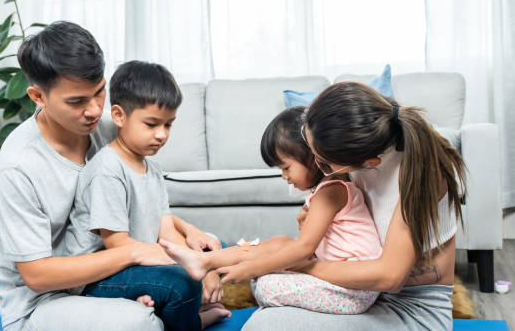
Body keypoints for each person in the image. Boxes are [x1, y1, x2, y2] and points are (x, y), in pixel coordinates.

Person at [0, 21, 222, 331]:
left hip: (107, 275)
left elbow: (145, 198)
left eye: (99, 92)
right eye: (77, 101)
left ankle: (148, 303)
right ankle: (150, 311)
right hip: (41, 303)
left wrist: (190, 236)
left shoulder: (104, 130)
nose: (95, 110)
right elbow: (36, 276)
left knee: (210, 244)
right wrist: (137, 254)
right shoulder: (17, 167)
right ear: (38, 96)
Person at [238, 82, 466, 331]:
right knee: (265, 296)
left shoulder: (420, 170)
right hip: (360, 293)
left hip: (411, 312)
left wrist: (300, 266)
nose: (319, 168)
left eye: (324, 163)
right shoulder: (359, 155)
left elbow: (389, 277)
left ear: (369, 161)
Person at [63, 60, 231, 331]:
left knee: (216, 250)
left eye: (168, 124)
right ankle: (190, 323)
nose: (162, 134)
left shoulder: (151, 169)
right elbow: (117, 244)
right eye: (152, 124)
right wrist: (194, 271)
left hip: (136, 263)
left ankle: (148, 304)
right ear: (118, 115)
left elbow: (166, 229)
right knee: (183, 285)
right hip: (99, 277)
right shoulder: (108, 169)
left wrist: (205, 262)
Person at [161, 106, 382, 315]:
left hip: (354, 290)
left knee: (264, 284)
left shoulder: (331, 191)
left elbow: (305, 248)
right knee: (280, 243)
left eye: (286, 168)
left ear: (313, 157)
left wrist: (252, 269)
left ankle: (213, 263)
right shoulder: (329, 190)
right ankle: (206, 261)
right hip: (340, 277)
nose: (285, 177)